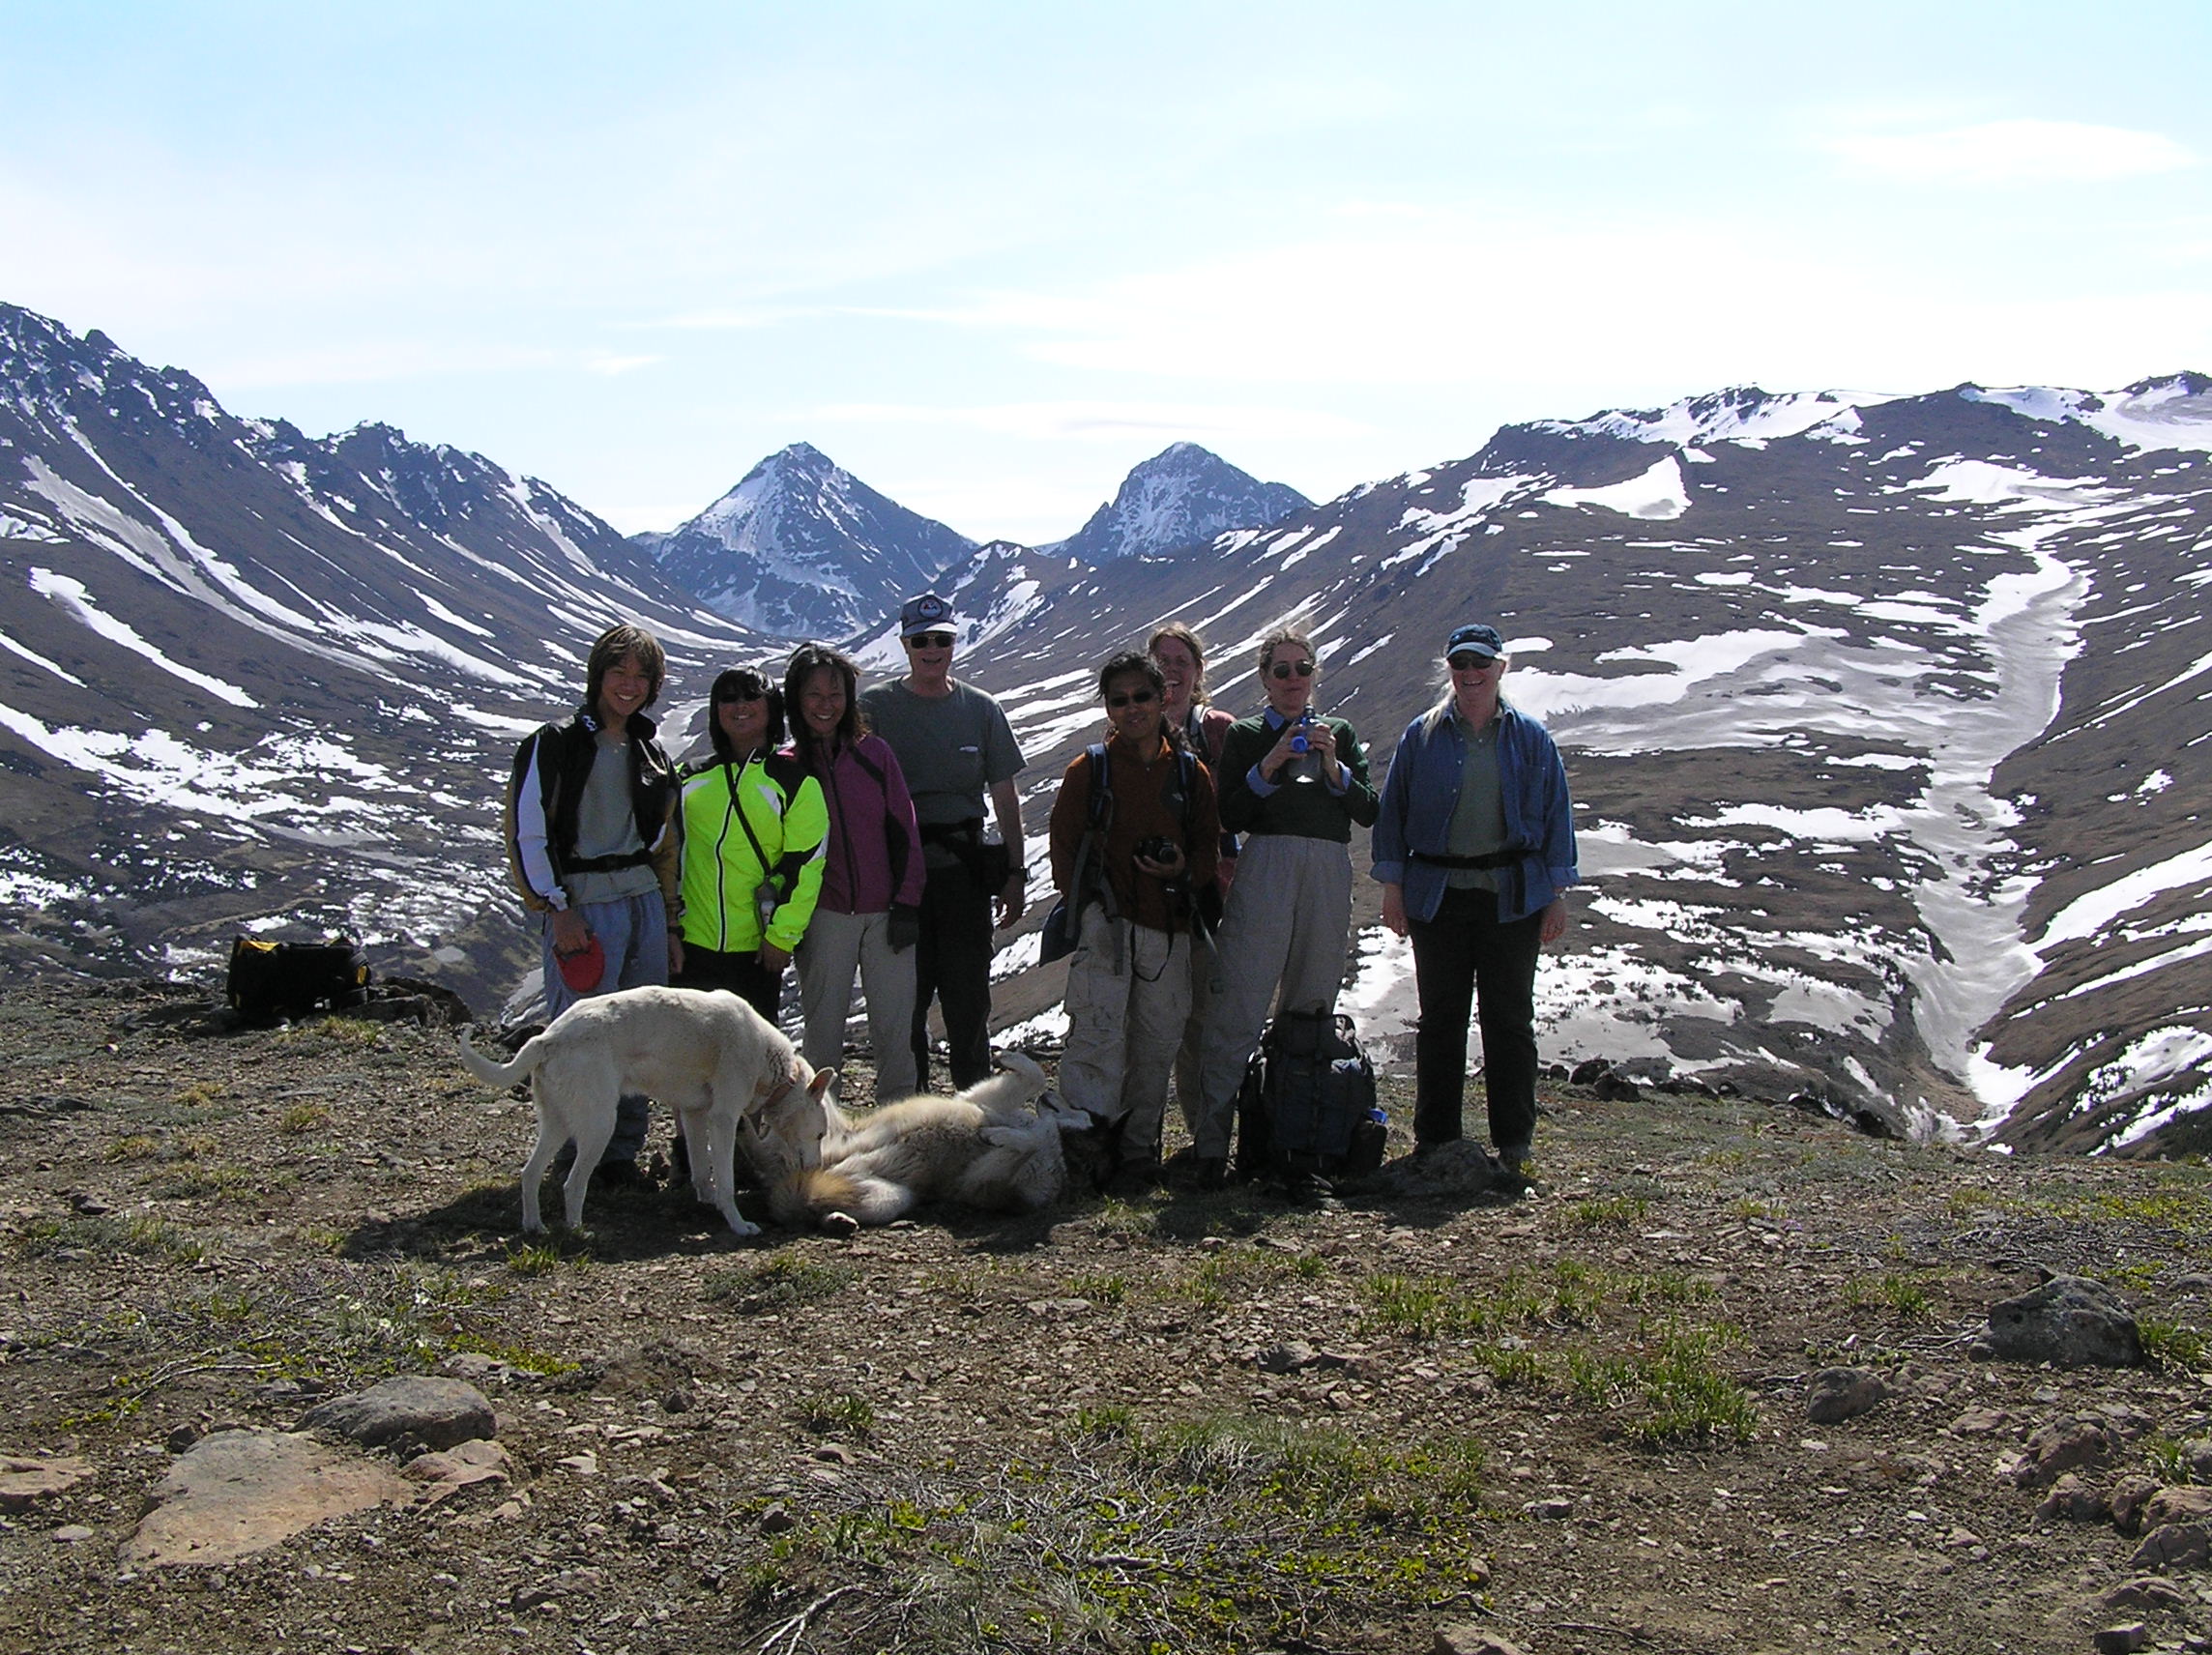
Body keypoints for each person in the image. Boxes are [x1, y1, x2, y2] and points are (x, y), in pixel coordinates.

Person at [1371, 623, 1576, 1177]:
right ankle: (1436, 1139)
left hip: (1513, 897)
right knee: (1441, 1020)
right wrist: (1393, 888)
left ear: (1500, 668)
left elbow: (1556, 814)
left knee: (1509, 1020)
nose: (1470, 673)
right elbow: (1393, 813)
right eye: (1460, 664)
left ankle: (1514, 1140)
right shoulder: (1421, 736)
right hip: (1439, 898)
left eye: (1480, 663)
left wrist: (1556, 893)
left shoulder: (1531, 739)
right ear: (1450, 670)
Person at [1190, 626, 1380, 1186]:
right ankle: (1210, 1149)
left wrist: (1333, 766)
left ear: (1315, 674)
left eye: (1302, 668)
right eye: (1281, 670)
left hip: (1328, 868)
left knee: (1312, 1006)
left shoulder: (1339, 732)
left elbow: (1369, 810)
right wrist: (1269, 765)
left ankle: (1297, 1147)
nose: (1293, 679)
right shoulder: (1247, 734)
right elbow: (1231, 814)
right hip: (1266, 864)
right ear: (1265, 679)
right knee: (1239, 1002)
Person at [503, 621, 681, 1184]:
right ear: (597, 676)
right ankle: (574, 1155)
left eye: (641, 677)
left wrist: (669, 922)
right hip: (584, 905)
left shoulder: (650, 751)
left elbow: (664, 845)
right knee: (581, 1036)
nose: (629, 685)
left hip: (642, 900)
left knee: (642, 1038)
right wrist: (556, 907)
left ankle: (620, 1156)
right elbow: (528, 831)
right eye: (618, 672)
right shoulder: (554, 744)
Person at [1049, 651, 1221, 1192]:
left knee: (1157, 1042)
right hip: (1107, 925)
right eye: (1119, 700)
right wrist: (1090, 908)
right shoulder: (1089, 771)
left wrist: (1181, 870)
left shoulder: (1190, 774)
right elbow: (1063, 850)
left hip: (1167, 927)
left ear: (1163, 698)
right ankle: (1084, 1151)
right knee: (1096, 1037)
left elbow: (1207, 852)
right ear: (1108, 707)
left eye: (1142, 696)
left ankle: (1137, 1150)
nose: (1132, 708)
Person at [858, 593, 1029, 1089]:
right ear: (905, 644)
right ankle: (908, 1109)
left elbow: (1005, 797)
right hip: (899, 879)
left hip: (964, 880)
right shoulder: (874, 709)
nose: (932, 650)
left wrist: (1014, 874)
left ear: (954, 643)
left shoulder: (982, 709)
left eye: (942, 640)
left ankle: (974, 1109)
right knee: (904, 1001)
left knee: (968, 1000)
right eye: (921, 641)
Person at [785, 641, 927, 1100]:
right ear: (796, 699)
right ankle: (821, 1126)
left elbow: (904, 829)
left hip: (886, 913)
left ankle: (898, 1122)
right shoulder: (786, 766)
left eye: (836, 694)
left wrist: (907, 902)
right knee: (822, 1033)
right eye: (814, 694)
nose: (825, 705)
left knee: (895, 1029)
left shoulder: (875, 754)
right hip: (823, 915)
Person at [672, 666, 828, 1025]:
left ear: (771, 708)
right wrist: (669, 930)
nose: (739, 706)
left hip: (758, 949)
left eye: (751, 696)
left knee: (752, 1053)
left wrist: (782, 937)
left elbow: (807, 864)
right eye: (728, 698)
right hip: (689, 944)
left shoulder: (795, 782)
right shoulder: (688, 776)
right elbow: (667, 856)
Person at [1149, 623, 1237, 1132]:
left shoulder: (1219, 730)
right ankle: (1142, 1141)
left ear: (1199, 671)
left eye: (1181, 662)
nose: (1171, 671)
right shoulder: (1133, 727)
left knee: (1200, 1021)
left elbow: (1242, 807)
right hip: (1148, 897)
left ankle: (1205, 1140)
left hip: (1208, 894)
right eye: (1162, 661)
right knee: (1153, 1021)